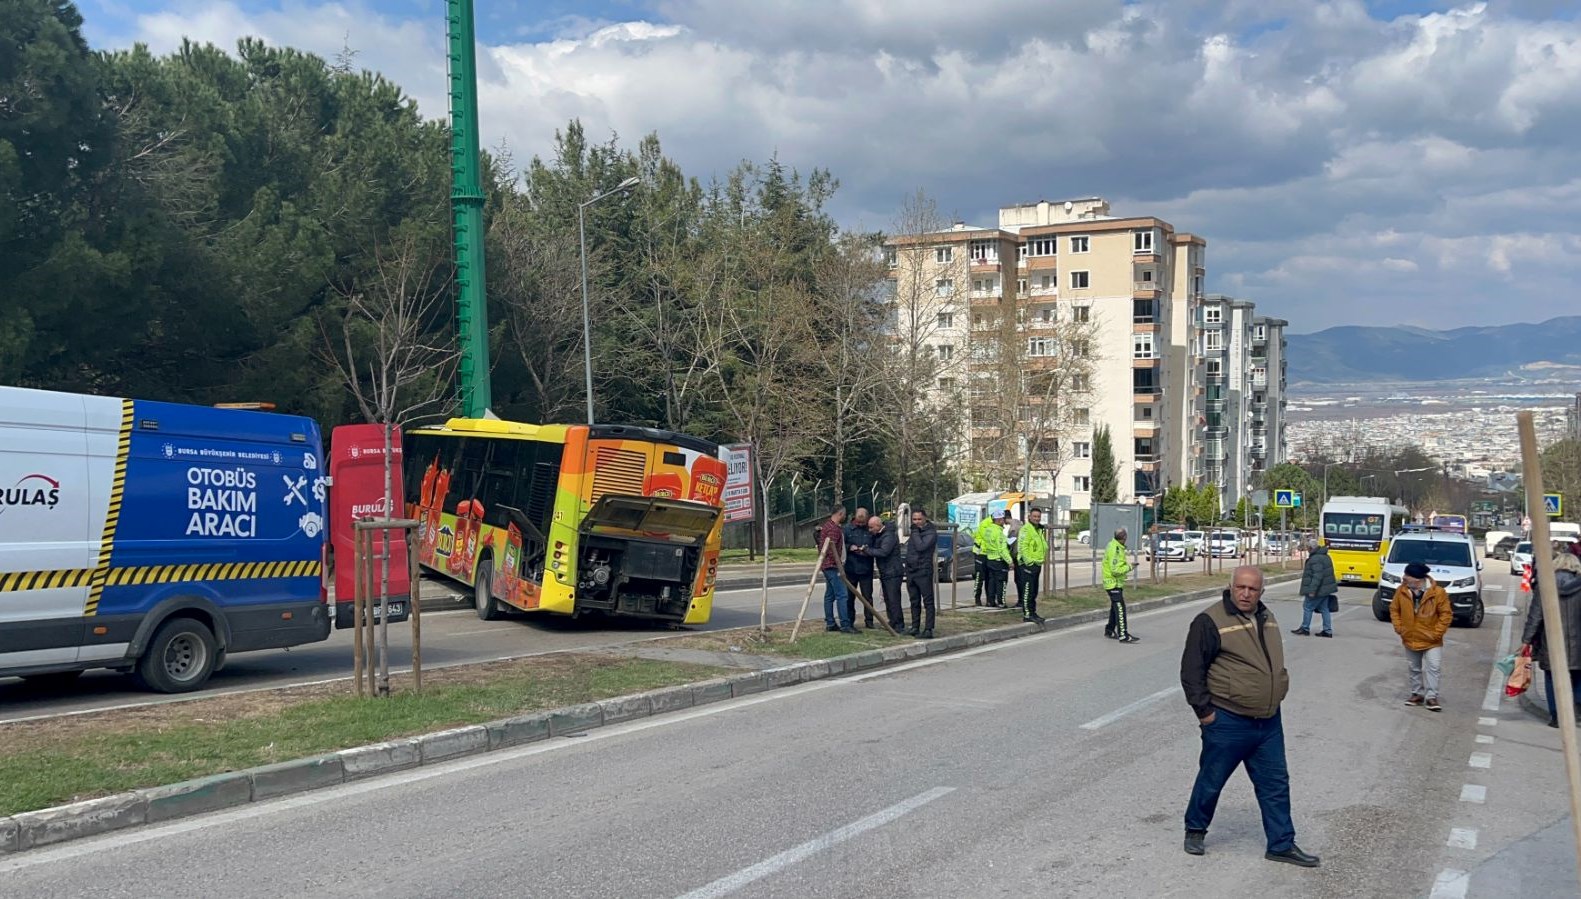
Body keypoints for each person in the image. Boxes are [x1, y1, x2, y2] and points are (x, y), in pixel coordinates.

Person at [1180, 566, 1319, 868]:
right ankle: (1195, 829)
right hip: (1228, 720)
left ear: (1261, 592)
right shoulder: (1209, 621)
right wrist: (1206, 714)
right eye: (1240, 587)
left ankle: (1281, 844)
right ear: (1230, 587)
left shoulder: (1267, 617)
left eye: (1252, 589)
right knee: (1212, 779)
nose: (1245, 594)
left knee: (1276, 784)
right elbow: (1191, 671)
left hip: (1268, 721)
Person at [1521, 551, 1581, 728]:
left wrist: (1526, 640)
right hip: (1578, 643)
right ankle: (1577, 709)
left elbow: (1535, 615)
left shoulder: (1545, 584)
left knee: (1551, 677)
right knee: (1578, 676)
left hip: (1551, 642)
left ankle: (1556, 716)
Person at [1389, 561, 1452, 712]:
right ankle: (1417, 694)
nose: (1404, 577)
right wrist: (1399, 627)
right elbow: (1394, 609)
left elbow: (1446, 614)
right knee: (1414, 667)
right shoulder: (1401, 591)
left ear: (1417, 579)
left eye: (1407, 575)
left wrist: (1437, 633)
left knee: (1433, 667)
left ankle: (1431, 697)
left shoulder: (1438, 593)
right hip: (1410, 636)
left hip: (1432, 640)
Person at [817, 508, 855, 634]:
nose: (845, 516)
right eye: (844, 514)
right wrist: (839, 566)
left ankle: (830, 623)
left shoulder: (828, 526)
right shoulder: (833, 529)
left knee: (830, 595)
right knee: (842, 595)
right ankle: (845, 624)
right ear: (840, 514)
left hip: (827, 565)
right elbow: (831, 549)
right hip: (832, 566)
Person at [867, 514, 905, 632]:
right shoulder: (880, 535)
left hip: (893, 571)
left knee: (893, 599)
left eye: (871, 527)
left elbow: (884, 552)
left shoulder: (889, 535)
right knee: (888, 599)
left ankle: (898, 624)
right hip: (886, 571)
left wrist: (867, 550)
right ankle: (892, 621)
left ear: (878, 526)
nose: (870, 530)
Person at [1293, 538, 1338, 637]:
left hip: (1318, 590)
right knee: (1324, 609)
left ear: (1310, 548)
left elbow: (1317, 576)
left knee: (1307, 607)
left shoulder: (1315, 559)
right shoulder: (1325, 556)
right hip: (1325, 589)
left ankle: (1305, 628)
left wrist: (1312, 590)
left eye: (1307, 547)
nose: (1307, 549)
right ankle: (1327, 630)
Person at [905, 508, 938, 639]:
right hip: (911, 570)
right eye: (914, 519)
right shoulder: (915, 532)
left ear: (925, 519)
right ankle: (915, 626)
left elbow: (921, 547)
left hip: (923, 570)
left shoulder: (930, 532)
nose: (916, 522)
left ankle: (928, 629)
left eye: (919, 519)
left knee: (928, 601)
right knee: (914, 600)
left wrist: (914, 532)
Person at [1103, 527, 1139, 643]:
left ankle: (1109, 630)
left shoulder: (1114, 545)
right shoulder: (1115, 549)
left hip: (1115, 583)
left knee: (1115, 608)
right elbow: (1115, 570)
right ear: (1124, 537)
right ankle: (1123, 635)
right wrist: (1130, 567)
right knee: (1120, 609)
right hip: (1113, 583)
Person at [844, 507, 875, 629]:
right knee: (849, 597)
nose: (861, 524)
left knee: (867, 597)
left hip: (866, 568)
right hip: (850, 568)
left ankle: (869, 620)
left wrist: (867, 550)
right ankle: (850, 620)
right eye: (859, 522)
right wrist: (850, 547)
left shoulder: (870, 529)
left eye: (863, 522)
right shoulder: (847, 529)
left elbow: (876, 545)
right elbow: (841, 545)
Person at [1016, 507, 1048, 624]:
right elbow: (1022, 547)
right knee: (1028, 591)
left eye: (1038, 517)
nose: (1036, 518)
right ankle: (1027, 614)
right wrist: (1028, 562)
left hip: (1037, 564)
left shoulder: (1039, 529)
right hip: (1028, 565)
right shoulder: (1026, 529)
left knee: (1034, 591)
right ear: (1029, 517)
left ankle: (1033, 612)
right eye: (1034, 516)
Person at [979, 511, 1013, 608]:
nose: (1004, 521)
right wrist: (1010, 561)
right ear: (999, 520)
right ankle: (1001, 602)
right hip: (999, 561)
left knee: (991, 582)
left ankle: (990, 602)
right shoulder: (999, 533)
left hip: (990, 559)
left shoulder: (988, 530)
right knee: (1001, 582)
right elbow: (1002, 549)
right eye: (1003, 519)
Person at [971, 514, 992, 606]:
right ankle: (977, 599)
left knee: (989, 578)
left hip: (988, 554)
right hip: (980, 553)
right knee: (979, 577)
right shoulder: (985, 523)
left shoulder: (995, 524)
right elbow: (988, 538)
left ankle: (989, 600)